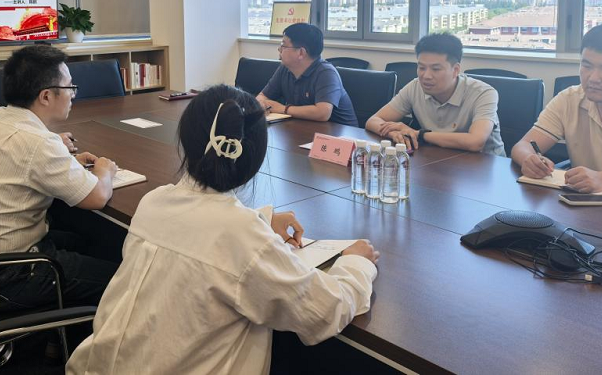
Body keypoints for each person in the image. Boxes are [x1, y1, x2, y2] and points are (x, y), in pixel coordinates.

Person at [66, 85, 379, 375]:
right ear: (255, 158)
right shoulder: (241, 237)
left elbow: (203, 230)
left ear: (184, 143)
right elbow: (323, 312)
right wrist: (356, 263)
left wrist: (260, 219)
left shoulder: (154, 202)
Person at [0, 43, 119, 311]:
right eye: (69, 87)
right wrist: (105, 170)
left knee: (89, 240)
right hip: (4, 278)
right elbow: (97, 197)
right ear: (46, 96)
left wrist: (68, 162)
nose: (73, 94)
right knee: (124, 280)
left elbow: (20, 164)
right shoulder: (37, 141)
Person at [512, 22, 602, 193]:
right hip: (583, 200)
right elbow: (523, 145)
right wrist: (529, 159)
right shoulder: (569, 99)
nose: (593, 78)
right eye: (586, 66)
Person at [365, 33, 505, 156]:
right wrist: (393, 133)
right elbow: (373, 121)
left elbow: (476, 142)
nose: (426, 76)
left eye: (436, 69)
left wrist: (419, 134)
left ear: (456, 70)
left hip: (486, 167)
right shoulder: (415, 87)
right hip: (438, 160)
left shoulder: (483, 93)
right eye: (421, 67)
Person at [256, 23, 357, 126]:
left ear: (301, 52)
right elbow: (262, 96)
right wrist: (261, 104)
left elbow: (323, 113)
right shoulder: (285, 68)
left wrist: (283, 109)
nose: (279, 49)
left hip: (338, 133)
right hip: (303, 129)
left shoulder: (326, 72)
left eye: (283, 46)